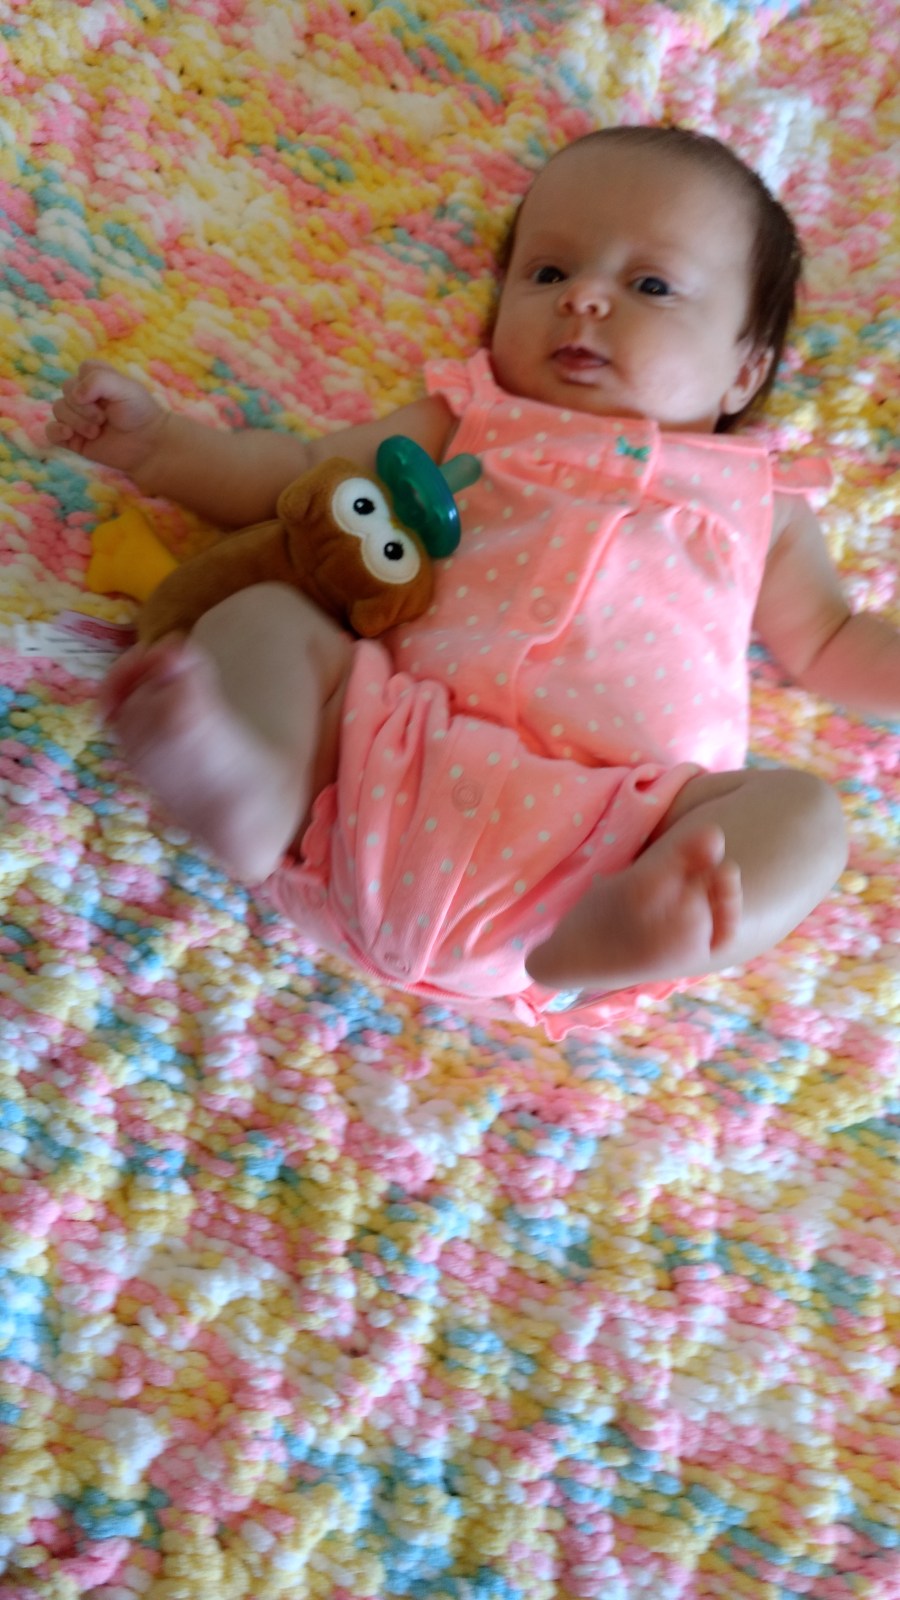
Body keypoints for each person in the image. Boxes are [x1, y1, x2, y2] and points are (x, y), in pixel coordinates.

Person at [46, 126, 900, 1036]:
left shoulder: (757, 500)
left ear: (744, 369)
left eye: (650, 285)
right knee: (259, 617)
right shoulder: (469, 419)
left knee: (805, 816)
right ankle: (250, 789)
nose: (582, 300)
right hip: (375, 768)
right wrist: (160, 447)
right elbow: (297, 479)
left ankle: (624, 940)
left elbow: (828, 639)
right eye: (547, 273)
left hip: (611, 840)